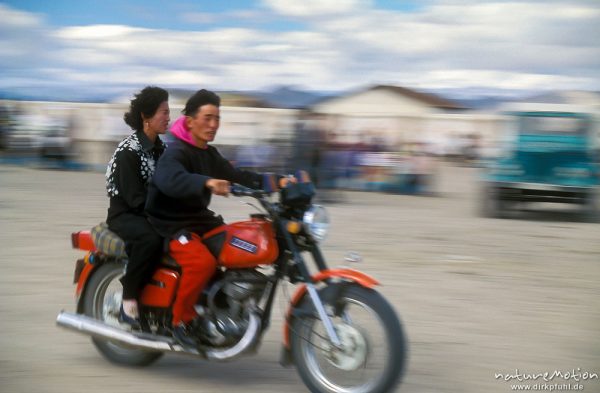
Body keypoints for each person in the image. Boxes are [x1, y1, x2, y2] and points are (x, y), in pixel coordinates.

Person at [145, 89, 288, 348]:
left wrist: (278, 180)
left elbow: (239, 176)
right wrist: (207, 182)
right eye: (208, 118)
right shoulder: (175, 152)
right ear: (190, 121)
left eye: (217, 119)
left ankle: (216, 307)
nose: (213, 125)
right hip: (170, 224)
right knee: (201, 263)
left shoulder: (209, 155)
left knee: (232, 246)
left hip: (200, 220)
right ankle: (181, 322)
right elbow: (170, 180)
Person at [105, 86, 170, 328]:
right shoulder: (128, 151)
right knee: (151, 239)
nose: (168, 118)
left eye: (168, 112)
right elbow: (135, 199)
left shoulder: (161, 149)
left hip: (149, 210)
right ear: (146, 116)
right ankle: (129, 300)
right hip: (125, 214)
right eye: (163, 112)